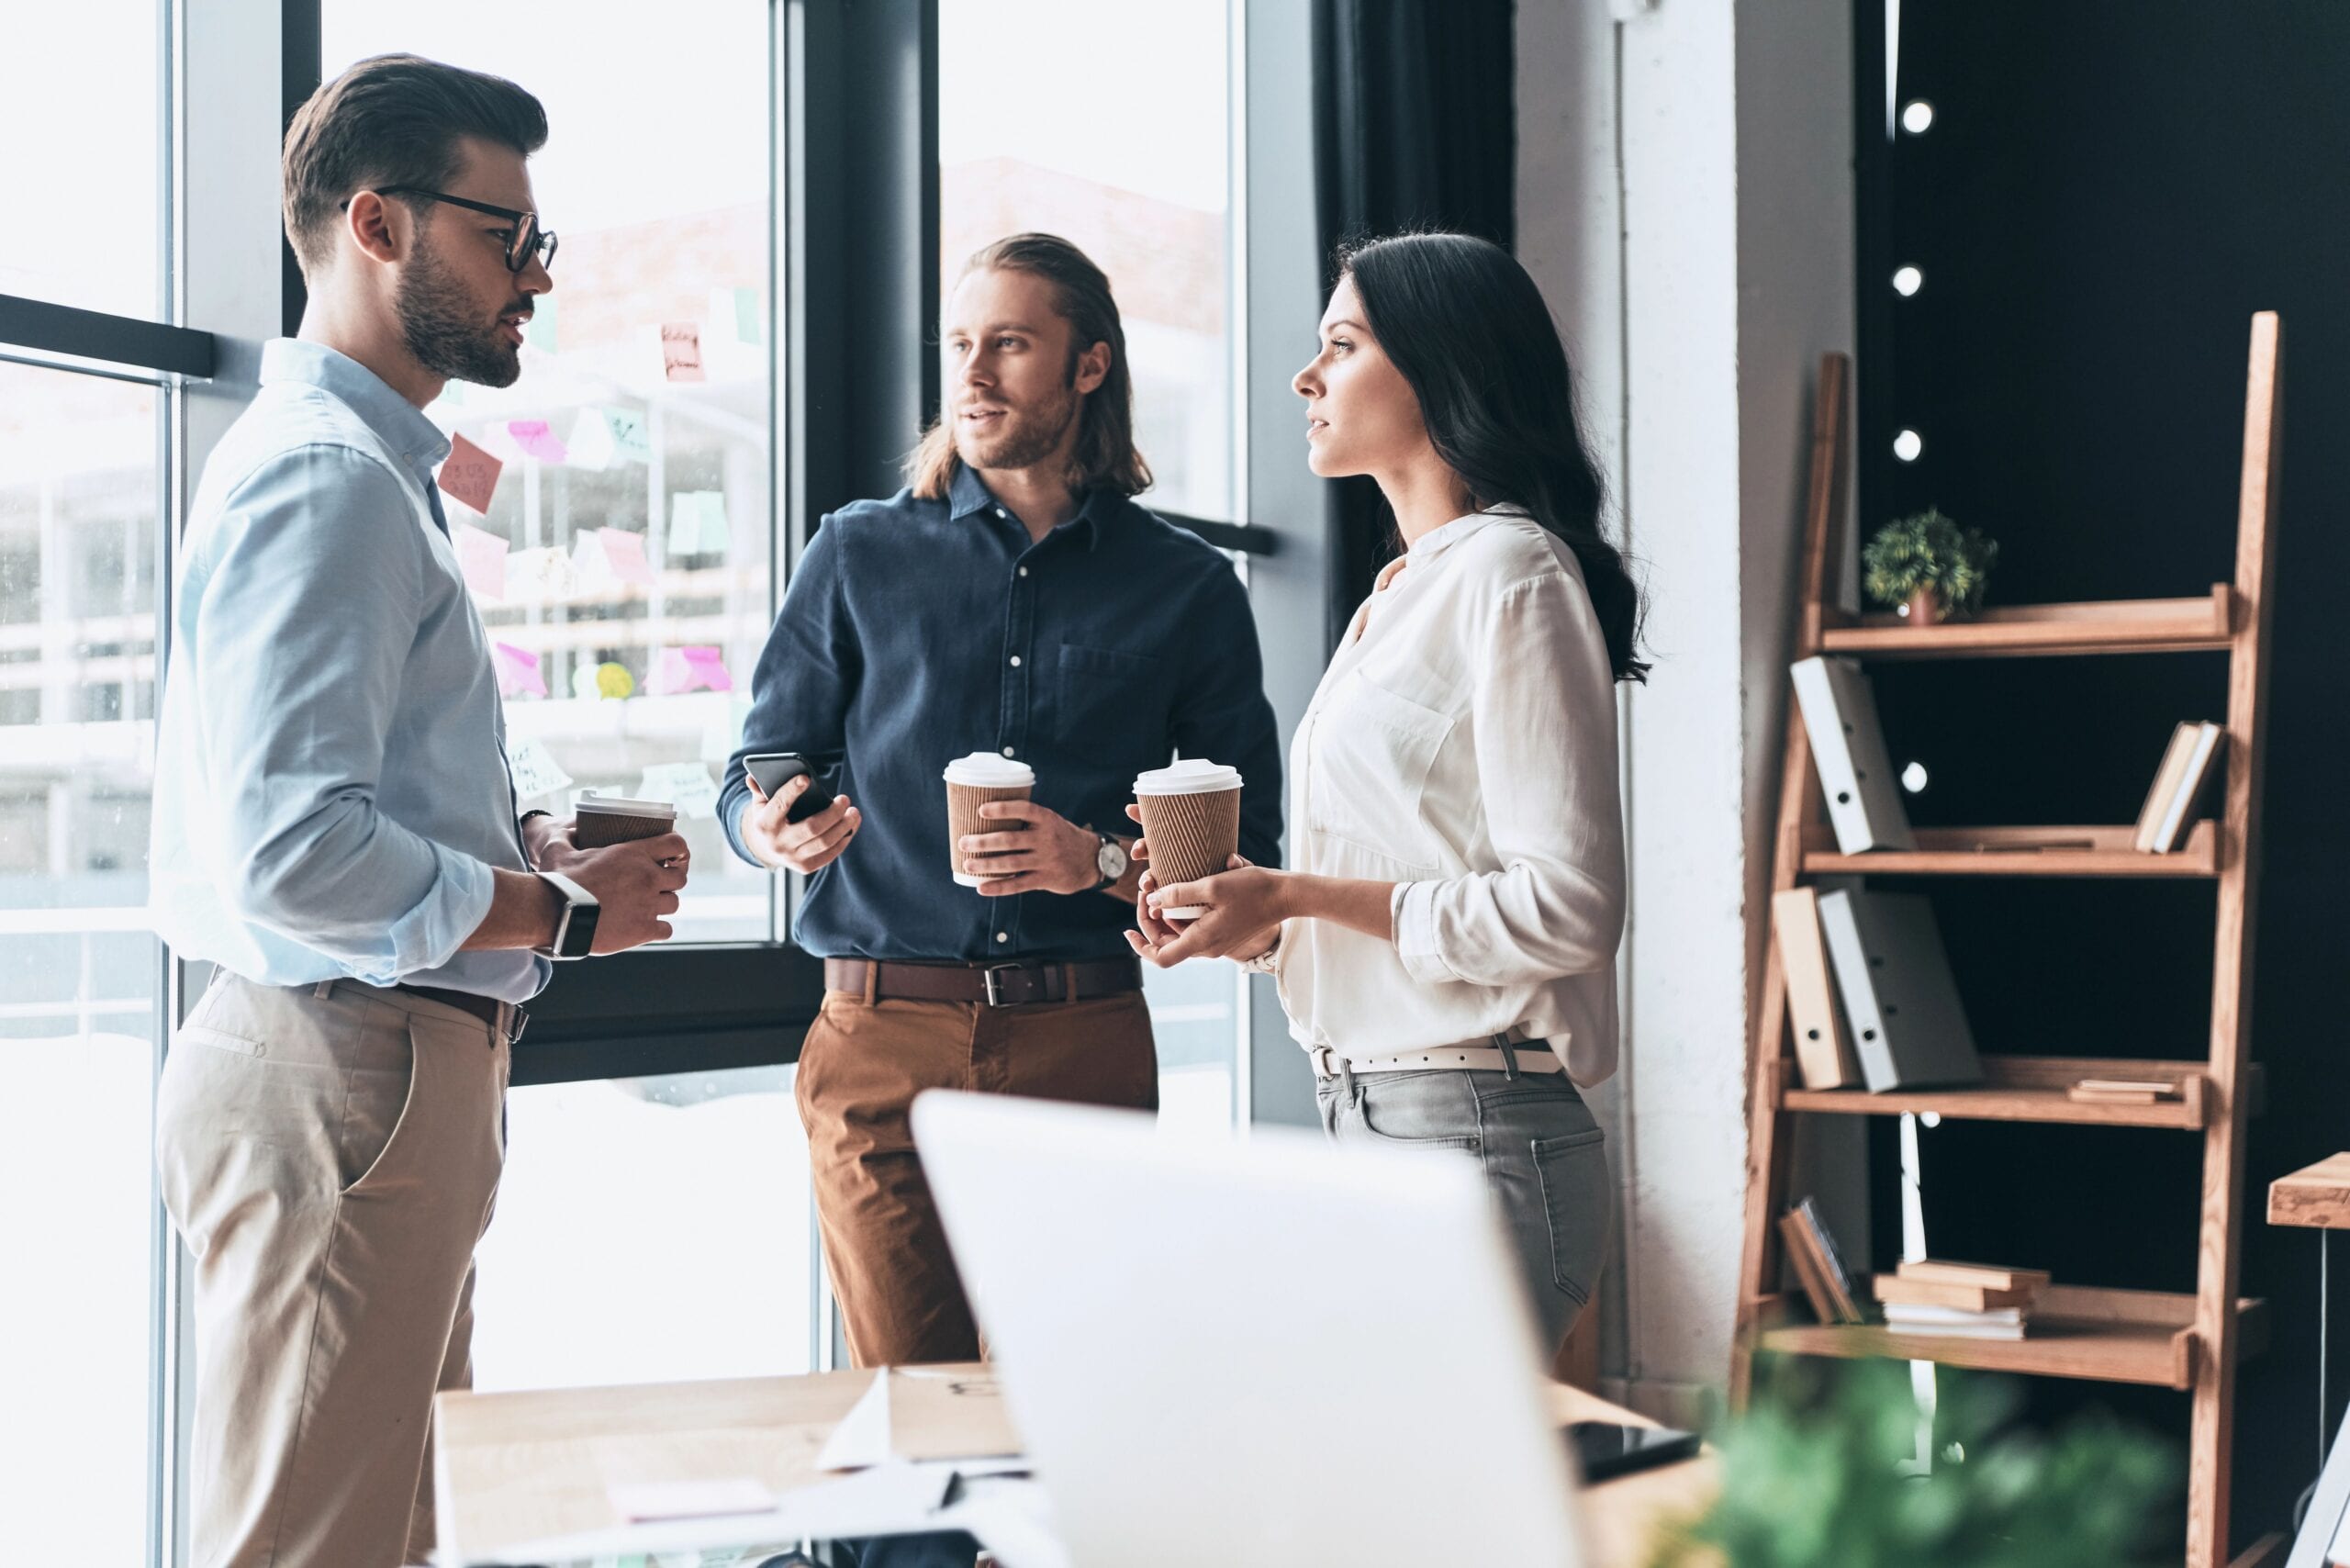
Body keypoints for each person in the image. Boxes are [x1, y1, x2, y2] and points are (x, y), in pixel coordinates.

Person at [149, 55, 688, 1568]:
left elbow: (344, 801)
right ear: (376, 225)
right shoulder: (330, 478)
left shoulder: (370, 472)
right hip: (347, 1061)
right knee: (317, 1543)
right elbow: (295, 845)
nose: (535, 276)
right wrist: (557, 911)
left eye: (539, 243)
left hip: (367, 1065)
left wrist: (522, 851)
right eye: (502, 234)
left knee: (374, 1533)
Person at [721, 232, 1282, 1370]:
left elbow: (1247, 856)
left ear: (1088, 367)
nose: (971, 376)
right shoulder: (855, 553)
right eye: (962, 345)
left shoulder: (1187, 589)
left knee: (1071, 1408)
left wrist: (1107, 867)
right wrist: (769, 827)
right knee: (912, 1417)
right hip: (877, 1041)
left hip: (1085, 1037)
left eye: (1010, 345)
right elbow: (757, 766)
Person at [1125, 231, 1644, 1357]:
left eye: (1342, 345)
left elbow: (1569, 907)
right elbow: (1394, 892)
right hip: (1368, 1116)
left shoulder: (1512, 572)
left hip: (1476, 1133)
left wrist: (1303, 892)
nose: (1306, 379)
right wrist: (1256, 923)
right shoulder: (1395, 597)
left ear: (1440, 367)